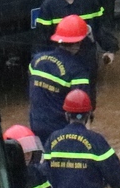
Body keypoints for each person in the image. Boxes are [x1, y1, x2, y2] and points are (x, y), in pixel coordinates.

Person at [32, 0, 117, 78]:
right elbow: (41, 39)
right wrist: (40, 63)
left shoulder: (89, 1)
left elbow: (100, 28)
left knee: (87, 95)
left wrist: (110, 49)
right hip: (60, 64)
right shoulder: (49, 6)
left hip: (87, 60)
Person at [27, 15, 94, 144]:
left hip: (36, 125)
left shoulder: (36, 61)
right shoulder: (78, 72)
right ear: (79, 42)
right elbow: (81, 111)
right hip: (61, 131)